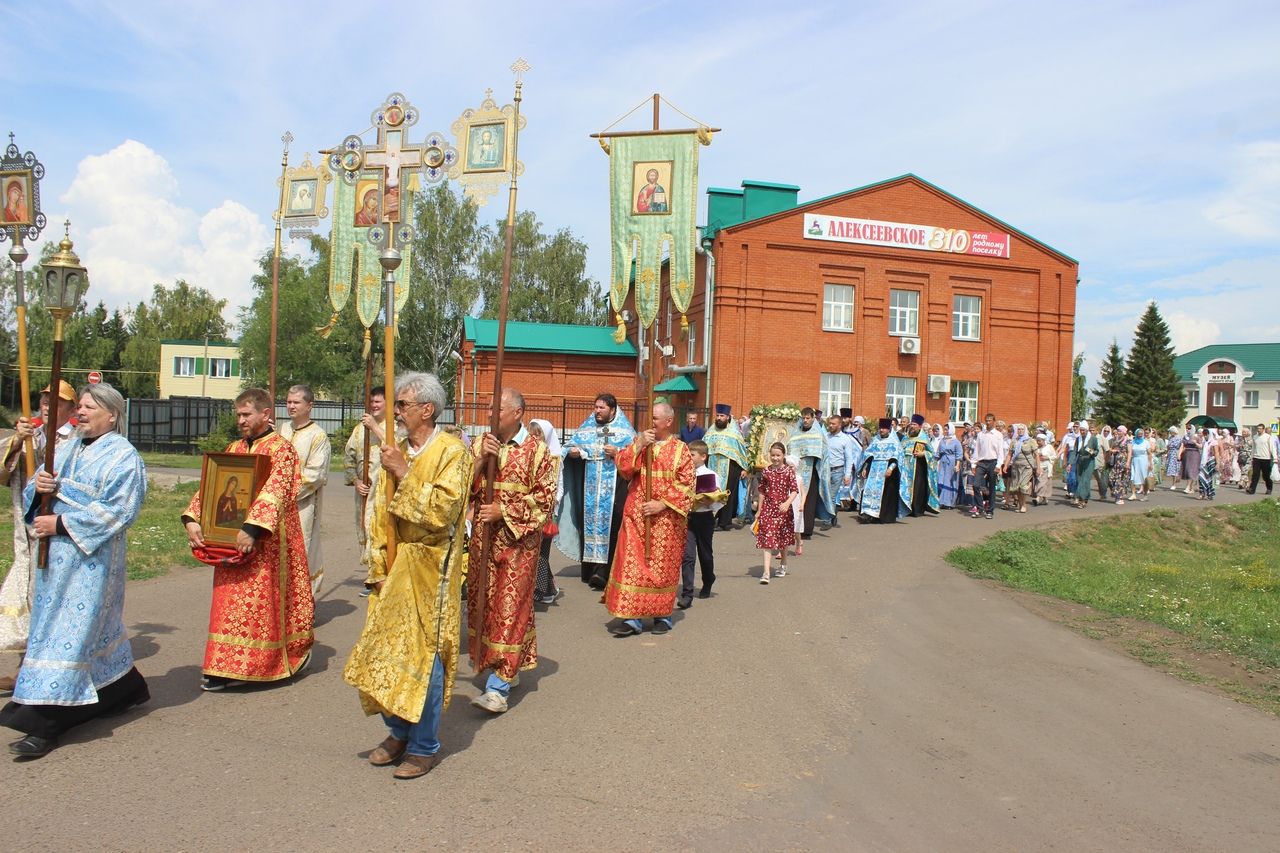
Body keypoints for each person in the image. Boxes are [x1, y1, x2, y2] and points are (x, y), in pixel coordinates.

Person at [0, 384, 149, 758]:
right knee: (68, 631)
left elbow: (121, 510)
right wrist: (41, 488)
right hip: (54, 561)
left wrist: (62, 525)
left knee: (73, 634)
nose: (79, 412)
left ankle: (46, 723)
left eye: (87, 407)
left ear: (112, 415)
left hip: (91, 562)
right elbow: (32, 491)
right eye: (79, 406)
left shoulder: (123, 456)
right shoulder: (63, 448)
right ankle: (124, 690)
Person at [343, 372, 471, 780]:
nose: (395, 411)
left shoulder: (454, 453)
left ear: (426, 409)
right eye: (396, 405)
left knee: (427, 658)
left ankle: (424, 745)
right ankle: (397, 731)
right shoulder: (392, 450)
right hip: (394, 570)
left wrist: (404, 473)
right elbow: (380, 514)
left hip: (432, 570)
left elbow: (442, 513)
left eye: (402, 404)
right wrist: (377, 567)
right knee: (386, 652)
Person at [184, 388, 314, 691]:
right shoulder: (234, 448)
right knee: (227, 602)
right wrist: (193, 517)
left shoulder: (281, 449)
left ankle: (258, 663)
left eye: (246, 414)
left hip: (268, 543)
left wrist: (253, 527)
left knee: (257, 605)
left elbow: (278, 490)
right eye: (238, 414)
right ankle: (222, 664)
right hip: (230, 542)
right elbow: (212, 488)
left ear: (265, 414)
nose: (241, 420)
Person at [467, 389, 557, 714]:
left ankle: (498, 688)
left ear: (517, 412)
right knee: (485, 604)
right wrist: (479, 461)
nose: (492, 414)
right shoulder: (480, 442)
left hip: (519, 546)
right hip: (482, 541)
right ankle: (506, 664)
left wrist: (503, 511)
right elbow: (461, 486)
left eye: (498, 409)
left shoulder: (539, 453)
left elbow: (544, 499)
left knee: (510, 606)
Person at [0, 382, 77, 694]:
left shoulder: (75, 441)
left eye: (57, 402)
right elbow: (4, 475)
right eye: (44, 400)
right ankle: (24, 667)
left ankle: (42, 672)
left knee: (52, 604)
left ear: (71, 410)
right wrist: (18, 441)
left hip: (56, 536)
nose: (48, 406)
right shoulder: (27, 435)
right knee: (22, 600)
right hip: (25, 538)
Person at [606, 402, 694, 637]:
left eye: (656, 419)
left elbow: (686, 484)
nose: (651, 422)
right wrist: (639, 445)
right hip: (637, 516)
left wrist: (661, 504)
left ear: (668, 421)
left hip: (666, 521)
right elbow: (624, 468)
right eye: (651, 418)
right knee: (633, 566)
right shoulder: (642, 442)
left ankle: (662, 616)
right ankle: (632, 617)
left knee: (662, 569)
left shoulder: (681, 450)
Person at [556, 393, 635, 590]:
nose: (597, 411)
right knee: (588, 521)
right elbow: (569, 447)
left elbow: (635, 457)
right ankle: (591, 570)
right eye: (596, 407)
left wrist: (617, 453)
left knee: (613, 523)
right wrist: (573, 453)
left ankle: (606, 572)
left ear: (613, 410)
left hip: (614, 486)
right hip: (590, 487)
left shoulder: (625, 431)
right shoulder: (588, 428)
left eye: (601, 408)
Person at [280, 384, 330, 597]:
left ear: (309, 405)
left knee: (301, 552)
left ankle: (303, 606)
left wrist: (285, 493)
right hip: (277, 505)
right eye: (289, 401)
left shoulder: (318, 436)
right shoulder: (281, 429)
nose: (291, 406)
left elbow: (315, 475)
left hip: (303, 506)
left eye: (296, 402)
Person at [526, 420, 565, 605]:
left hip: (546, 511)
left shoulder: (555, 458)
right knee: (533, 551)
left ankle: (540, 590)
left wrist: (550, 502)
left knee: (542, 552)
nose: (534, 438)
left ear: (546, 436)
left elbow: (560, 487)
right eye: (531, 434)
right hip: (527, 510)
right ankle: (550, 587)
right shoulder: (527, 454)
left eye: (538, 434)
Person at [678, 440, 721, 608]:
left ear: (703, 457)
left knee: (705, 554)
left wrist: (709, 500)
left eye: (692, 455)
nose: (689, 457)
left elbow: (718, 499)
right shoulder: (683, 474)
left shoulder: (711, 475)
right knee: (687, 555)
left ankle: (708, 579)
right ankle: (687, 594)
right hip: (688, 518)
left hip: (704, 518)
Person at [753, 442, 798, 584]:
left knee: (782, 539)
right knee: (767, 539)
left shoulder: (789, 471)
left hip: (783, 510)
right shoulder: (766, 471)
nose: (775, 458)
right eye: (773, 455)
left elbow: (794, 490)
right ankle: (766, 572)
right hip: (768, 508)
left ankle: (783, 563)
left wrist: (787, 503)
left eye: (778, 455)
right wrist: (759, 510)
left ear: (783, 455)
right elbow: (761, 491)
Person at [787, 407, 832, 538]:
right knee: (794, 499)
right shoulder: (795, 433)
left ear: (813, 418)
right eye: (803, 418)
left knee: (808, 502)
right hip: (796, 471)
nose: (805, 420)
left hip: (811, 471)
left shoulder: (818, 434)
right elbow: (789, 448)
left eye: (808, 418)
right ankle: (793, 528)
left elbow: (823, 454)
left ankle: (806, 530)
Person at [703, 404, 749, 531]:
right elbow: (704, 447)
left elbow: (742, 450)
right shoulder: (711, 431)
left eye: (722, 416)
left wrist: (744, 468)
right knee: (712, 491)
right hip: (712, 466)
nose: (719, 418)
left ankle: (725, 521)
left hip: (730, 467)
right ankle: (711, 519)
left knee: (727, 493)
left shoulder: (734, 433)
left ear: (728, 417)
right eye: (717, 415)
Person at [857, 418, 905, 523]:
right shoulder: (875, 440)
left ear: (889, 429)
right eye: (880, 428)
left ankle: (882, 516)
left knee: (884, 494)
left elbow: (897, 458)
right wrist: (865, 468)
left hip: (886, 471)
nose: (882, 430)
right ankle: (868, 514)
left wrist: (891, 468)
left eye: (884, 428)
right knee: (869, 491)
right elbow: (869, 456)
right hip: (873, 470)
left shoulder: (894, 442)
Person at [901, 415, 940, 517]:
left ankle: (916, 509)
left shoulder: (923, 438)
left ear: (919, 426)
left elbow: (932, 454)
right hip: (906, 466)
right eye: (911, 424)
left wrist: (923, 454)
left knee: (917, 488)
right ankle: (906, 508)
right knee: (906, 487)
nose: (912, 426)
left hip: (918, 466)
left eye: (914, 425)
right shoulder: (906, 437)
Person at [970, 414, 1003, 519]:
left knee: (991, 487)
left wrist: (998, 465)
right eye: (986, 420)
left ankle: (990, 511)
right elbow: (977, 450)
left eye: (990, 420)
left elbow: (1000, 452)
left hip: (992, 462)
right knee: (975, 485)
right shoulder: (981, 434)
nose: (988, 422)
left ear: (994, 421)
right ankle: (979, 508)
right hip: (982, 463)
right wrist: (973, 464)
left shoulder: (998, 435)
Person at [1006, 423, 1038, 513]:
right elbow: (1009, 454)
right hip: (1016, 467)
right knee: (1017, 487)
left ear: (1025, 430)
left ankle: (1024, 505)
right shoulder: (1014, 441)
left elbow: (1036, 455)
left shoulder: (1031, 441)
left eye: (1022, 429)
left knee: (1023, 486)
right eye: (1019, 429)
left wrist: (1038, 467)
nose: (1020, 431)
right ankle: (1020, 505)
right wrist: (1005, 465)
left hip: (1027, 466)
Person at [1072, 420, 1101, 508]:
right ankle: (1083, 497)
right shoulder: (1078, 439)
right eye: (1081, 430)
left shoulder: (1093, 439)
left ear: (1087, 430)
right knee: (1079, 479)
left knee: (1085, 480)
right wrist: (1070, 463)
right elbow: (1074, 451)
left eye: (1083, 430)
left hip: (1089, 462)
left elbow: (1096, 451)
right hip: (1080, 461)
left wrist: (1091, 451)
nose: (1082, 432)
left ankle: (1082, 499)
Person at [935, 424, 964, 509]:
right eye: (944, 430)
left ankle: (950, 503)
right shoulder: (943, 440)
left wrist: (957, 465)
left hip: (952, 462)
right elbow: (938, 453)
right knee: (941, 480)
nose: (945, 431)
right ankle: (941, 501)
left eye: (947, 429)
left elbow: (959, 455)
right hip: (943, 462)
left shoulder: (956, 441)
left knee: (950, 482)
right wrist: (933, 461)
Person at [1247, 423, 1274, 494]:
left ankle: (1269, 488)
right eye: (1257, 428)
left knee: (1266, 475)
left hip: (1266, 458)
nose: (1258, 430)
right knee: (1255, 474)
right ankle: (1252, 489)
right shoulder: (1255, 437)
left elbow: (1272, 448)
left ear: (1263, 429)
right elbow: (1253, 448)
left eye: (1260, 429)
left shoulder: (1268, 437)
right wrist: (1252, 457)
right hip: (1256, 458)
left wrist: (1275, 458)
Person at [1179, 422, 1202, 494]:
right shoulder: (1185, 436)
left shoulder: (1197, 436)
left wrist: (1195, 443)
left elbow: (1201, 446)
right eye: (1187, 428)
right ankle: (1191, 488)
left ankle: (1188, 486)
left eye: (1189, 428)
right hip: (1187, 454)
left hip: (1194, 454)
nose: (1188, 430)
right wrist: (1179, 454)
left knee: (1192, 471)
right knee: (1188, 470)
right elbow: (1182, 445)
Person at [1033, 431, 1055, 506]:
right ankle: (1044, 499)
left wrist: (1047, 457)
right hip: (1039, 468)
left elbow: (1054, 456)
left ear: (1044, 440)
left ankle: (1038, 498)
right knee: (1041, 482)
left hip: (1047, 467)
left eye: (1040, 441)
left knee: (1043, 483)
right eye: (1037, 441)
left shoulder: (1049, 447)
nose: (1038, 442)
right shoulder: (1036, 448)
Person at [1130, 429, 1153, 500]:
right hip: (1135, 460)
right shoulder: (1133, 442)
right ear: (1136, 434)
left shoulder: (1146, 442)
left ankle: (1145, 495)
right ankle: (1133, 494)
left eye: (1141, 434)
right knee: (1132, 477)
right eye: (1138, 433)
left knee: (1144, 478)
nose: (1140, 435)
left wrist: (1150, 463)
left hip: (1143, 461)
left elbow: (1149, 453)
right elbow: (1130, 452)